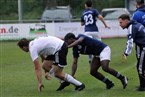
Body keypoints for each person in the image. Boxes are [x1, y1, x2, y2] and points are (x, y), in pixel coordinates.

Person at [17, 36, 85, 92]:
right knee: (45, 66)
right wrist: (46, 72)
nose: (22, 50)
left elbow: (37, 68)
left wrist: (40, 83)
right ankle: (63, 81)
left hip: (59, 48)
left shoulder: (32, 49)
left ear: (24, 47)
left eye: (21, 49)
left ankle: (80, 85)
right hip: (56, 48)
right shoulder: (33, 43)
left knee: (57, 73)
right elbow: (43, 58)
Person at [63, 33, 128, 90]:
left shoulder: (80, 36)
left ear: (71, 39)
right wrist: (72, 76)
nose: (66, 43)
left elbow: (79, 41)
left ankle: (122, 78)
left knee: (105, 67)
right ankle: (109, 83)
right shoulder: (75, 49)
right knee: (93, 71)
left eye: (66, 41)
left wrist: (68, 46)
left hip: (103, 49)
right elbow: (75, 62)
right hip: (97, 54)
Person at [118, 14, 145, 91]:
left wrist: (126, 53)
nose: (119, 24)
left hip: (143, 48)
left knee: (140, 68)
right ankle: (142, 85)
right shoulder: (137, 24)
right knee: (142, 67)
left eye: (121, 22)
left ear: (126, 21)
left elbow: (130, 42)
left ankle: (143, 87)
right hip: (141, 47)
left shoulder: (131, 27)